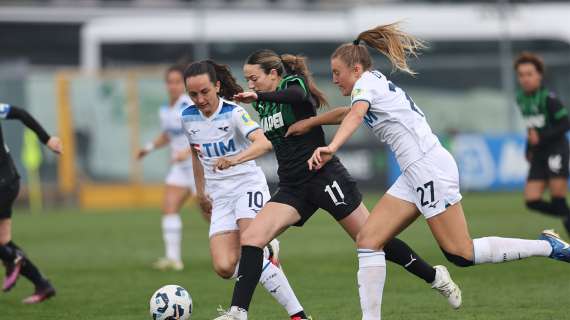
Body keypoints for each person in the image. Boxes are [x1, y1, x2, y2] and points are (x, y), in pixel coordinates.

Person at [305, 22, 570, 320]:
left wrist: (332, 147)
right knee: (368, 240)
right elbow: (348, 112)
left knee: (461, 253)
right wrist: (310, 123)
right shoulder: (370, 83)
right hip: (413, 172)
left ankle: (548, 247)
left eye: (336, 73)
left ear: (355, 69)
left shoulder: (366, 85)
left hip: (428, 168)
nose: (334, 79)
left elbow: (354, 114)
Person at [213, 49, 461, 320]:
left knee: (373, 239)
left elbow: (297, 97)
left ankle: (435, 277)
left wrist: (262, 97)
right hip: (293, 186)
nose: (251, 85)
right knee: (251, 239)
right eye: (247, 80)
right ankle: (238, 312)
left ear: (273, 74)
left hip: (325, 176)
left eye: (254, 79)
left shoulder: (291, 83)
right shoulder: (261, 103)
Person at [182, 60, 311, 320]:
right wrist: (200, 192)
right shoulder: (187, 117)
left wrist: (233, 160)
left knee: (250, 244)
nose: (200, 99)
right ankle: (268, 258)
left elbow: (263, 143)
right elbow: (196, 154)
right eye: (193, 94)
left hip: (247, 186)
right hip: (220, 197)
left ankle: (297, 315)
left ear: (217, 86)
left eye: (205, 91)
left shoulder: (233, 113)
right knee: (224, 266)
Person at [0, 102, 61, 304]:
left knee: (5, 248)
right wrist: (48, 139)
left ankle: (13, 258)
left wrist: (47, 139)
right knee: (3, 241)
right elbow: (19, 113)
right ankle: (43, 285)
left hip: (3, 183)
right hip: (9, 181)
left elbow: (19, 113)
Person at [137, 65, 196, 271]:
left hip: (199, 166)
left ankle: (253, 245)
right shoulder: (165, 110)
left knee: (211, 212)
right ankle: (173, 259)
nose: (173, 86)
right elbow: (167, 135)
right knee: (169, 208)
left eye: (177, 82)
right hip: (180, 168)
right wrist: (149, 147)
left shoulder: (189, 105)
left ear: (185, 84)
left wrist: (187, 153)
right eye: (170, 82)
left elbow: (202, 133)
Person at [514, 52, 570, 235]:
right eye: (521, 75)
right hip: (538, 154)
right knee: (531, 200)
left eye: (529, 74)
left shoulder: (549, 98)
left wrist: (542, 137)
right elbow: (531, 127)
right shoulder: (521, 98)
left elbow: (565, 123)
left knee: (558, 200)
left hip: (556, 151)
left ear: (539, 75)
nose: (525, 79)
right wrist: (529, 147)